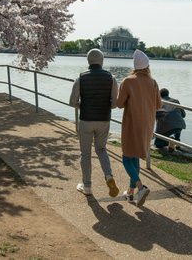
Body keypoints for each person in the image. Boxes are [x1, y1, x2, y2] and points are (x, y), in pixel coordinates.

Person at [68, 48, 121, 197]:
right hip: (104, 119)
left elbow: (72, 102)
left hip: (86, 119)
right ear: (102, 61)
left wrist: (82, 105)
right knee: (102, 150)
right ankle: (109, 176)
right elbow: (115, 103)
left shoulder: (81, 78)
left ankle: (87, 186)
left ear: (88, 61)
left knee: (85, 154)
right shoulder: (111, 78)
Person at [116, 49, 162, 208]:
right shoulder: (153, 82)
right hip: (147, 125)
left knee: (126, 157)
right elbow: (158, 105)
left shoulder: (128, 81)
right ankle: (130, 192)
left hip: (132, 123)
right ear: (148, 67)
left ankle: (141, 188)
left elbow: (119, 104)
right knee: (134, 157)